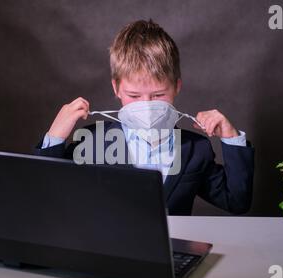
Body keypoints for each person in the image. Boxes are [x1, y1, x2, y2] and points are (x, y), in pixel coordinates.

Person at [35, 19, 254, 215]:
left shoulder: (196, 149)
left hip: (172, 255)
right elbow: (45, 195)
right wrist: (55, 137)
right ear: (117, 88)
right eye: (134, 95)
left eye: (158, 95)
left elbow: (236, 201)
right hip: (111, 255)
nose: (147, 105)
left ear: (177, 86)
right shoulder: (92, 142)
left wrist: (231, 136)